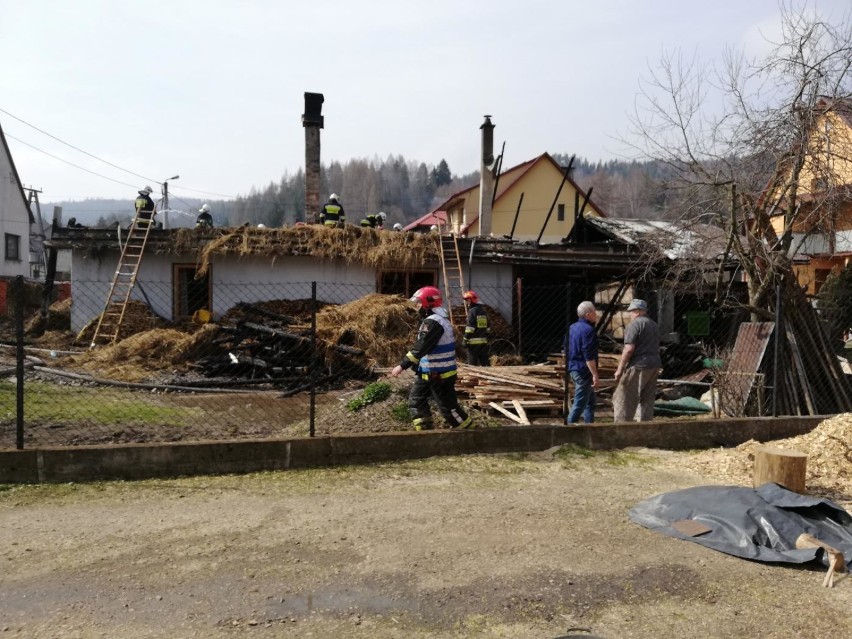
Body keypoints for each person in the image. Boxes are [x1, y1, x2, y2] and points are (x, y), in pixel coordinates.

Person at [390, 286, 473, 431]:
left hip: (440, 374)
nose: (417, 307)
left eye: (418, 303)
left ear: (428, 303)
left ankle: (470, 433)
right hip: (428, 372)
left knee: (448, 409)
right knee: (416, 401)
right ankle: (425, 432)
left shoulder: (433, 322)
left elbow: (421, 347)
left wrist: (402, 365)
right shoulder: (434, 320)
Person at [613, 299, 662, 422]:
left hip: (639, 365)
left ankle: (622, 428)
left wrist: (620, 369)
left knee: (624, 397)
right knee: (647, 400)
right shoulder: (654, 325)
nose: (630, 314)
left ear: (638, 311)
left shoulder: (634, 325)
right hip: (654, 364)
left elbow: (629, 349)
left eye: (632, 311)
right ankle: (644, 428)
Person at [565, 301, 600, 424]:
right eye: (594, 312)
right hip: (584, 371)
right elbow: (588, 355)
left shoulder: (572, 328)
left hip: (573, 368)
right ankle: (566, 430)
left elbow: (566, 348)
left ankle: (589, 427)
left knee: (589, 402)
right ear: (588, 314)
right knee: (580, 403)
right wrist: (595, 374)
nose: (596, 315)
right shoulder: (589, 330)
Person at [462, 290, 490, 366]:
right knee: (485, 363)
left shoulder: (472, 311)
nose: (467, 302)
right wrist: (485, 336)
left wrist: (465, 339)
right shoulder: (483, 311)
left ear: (471, 300)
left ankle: (472, 377)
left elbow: (470, 328)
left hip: (473, 344)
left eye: (467, 300)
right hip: (483, 342)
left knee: (472, 364)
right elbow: (488, 327)